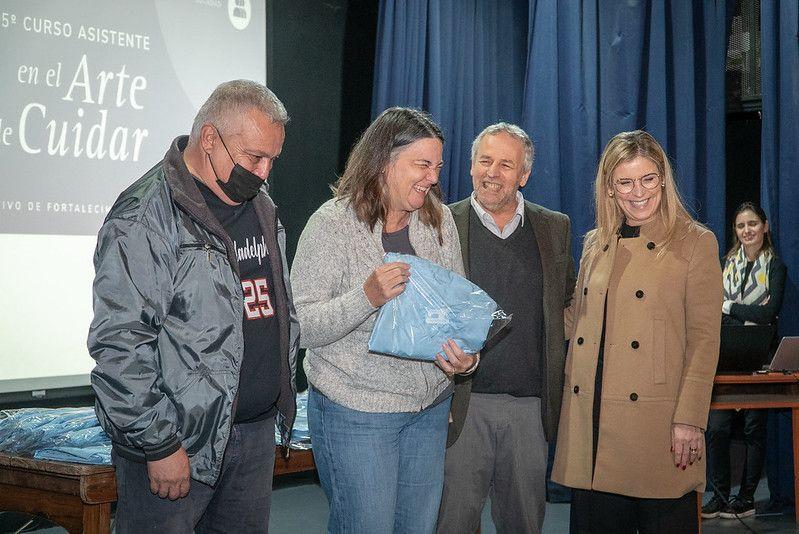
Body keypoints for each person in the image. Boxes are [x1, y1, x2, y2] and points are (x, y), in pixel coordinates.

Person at [88, 80, 299, 533]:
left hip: (253, 435)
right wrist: (158, 443)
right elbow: (120, 344)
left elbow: (277, 304)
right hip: (179, 445)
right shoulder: (145, 215)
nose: (264, 172)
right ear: (209, 138)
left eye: (272, 160)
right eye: (254, 158)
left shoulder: (261, 207)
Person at [290, 107, 477, 533]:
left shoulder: (440, 219)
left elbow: (458, 314)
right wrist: (366, 298)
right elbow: (302, 326)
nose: (433, 178)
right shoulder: (331, 225)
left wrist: (467, 357)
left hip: (429, 411)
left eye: (438, 167)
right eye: (423, 165)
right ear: (385, 162)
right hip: (357, 413)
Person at [551, 130, 722, 533]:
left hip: (657, 424)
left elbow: (704, 340)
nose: (638, 192)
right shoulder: (594, 243)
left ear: (663, 179)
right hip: (592, 423)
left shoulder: (695, 242)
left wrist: (690, 419)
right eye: (625, 182)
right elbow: (577, 318)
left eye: (648, 179)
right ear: (610, 188)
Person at [436, 123, 575, 534]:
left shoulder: (554, 228)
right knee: (452, 524)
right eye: (484, 161)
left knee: (524, 525)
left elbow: (569, 299)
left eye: (505, 164)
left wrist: (555, 340)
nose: (492, 172)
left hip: (529, 409)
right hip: (459, 406)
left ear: (524, 175)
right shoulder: (442, 223)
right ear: (471, 166)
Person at [702, 202, 787, 520]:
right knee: (717, 428)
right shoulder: (726, 263)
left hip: (759, 356)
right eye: (740, 225)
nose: (747, 230)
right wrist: (735, 310)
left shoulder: (775, 267)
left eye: (752, 224)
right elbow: (712, 308)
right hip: (726, 355)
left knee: (754, 428)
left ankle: (746, 497)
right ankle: (720, 496)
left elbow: (769, 313)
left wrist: (729, 307)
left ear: (764, 226)